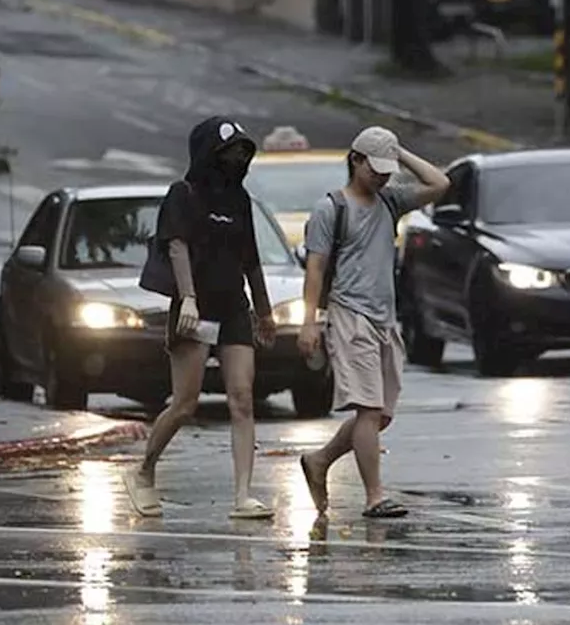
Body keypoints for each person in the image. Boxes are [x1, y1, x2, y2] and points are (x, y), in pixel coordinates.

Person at [125, 116, 278, 519]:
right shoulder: (184, 194)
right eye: (230, 151)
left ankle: (243, 495)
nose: (238, 159)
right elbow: (176, 247)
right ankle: (143, 472)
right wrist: (188, 299)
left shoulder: (240, 199)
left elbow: (252, 259)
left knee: (242, 399)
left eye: (244, 152)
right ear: (211, 153)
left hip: (233, 308)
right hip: (196, 308)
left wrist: (264, 311)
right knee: (185, 403)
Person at [297, 126, 451, 518]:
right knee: (367, 409)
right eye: (375, 167)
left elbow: (439, 183)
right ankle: (374, 496)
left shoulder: (391, 201)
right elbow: (315, 269)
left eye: (387, 169)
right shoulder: (331, 209)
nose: (381, 176)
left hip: (385, 319)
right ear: (355, 160)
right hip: (350, 315)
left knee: (380, 415)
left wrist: (399, 154)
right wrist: (309, 322)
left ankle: (319, 461)